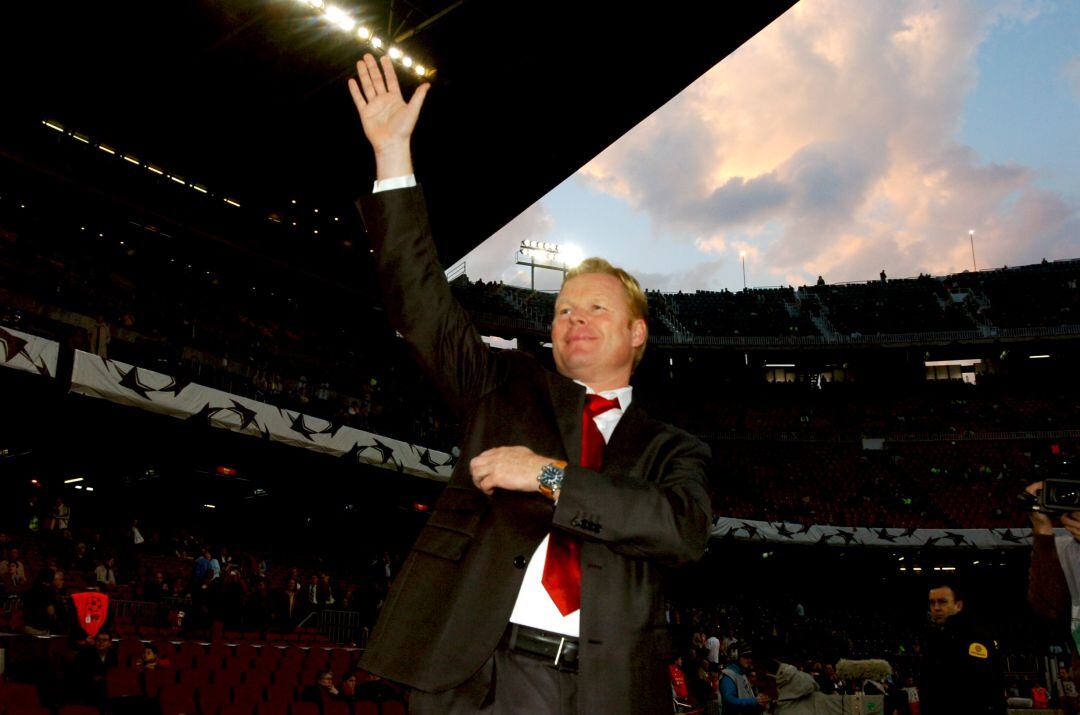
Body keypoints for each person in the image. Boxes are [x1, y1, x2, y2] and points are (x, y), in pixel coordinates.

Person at [347, 53, 712, 715]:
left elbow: (679, 530)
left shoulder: (671, 449)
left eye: (597, 308)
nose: (574, 317)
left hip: (613, 687)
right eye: (565, 309)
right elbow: (422, 307)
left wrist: (547, 475)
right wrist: (394, 158)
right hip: (490, 669)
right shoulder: (503, 384)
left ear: (636, 334)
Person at [918, 581, 1005, 714]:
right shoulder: (933, 639)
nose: (936, 607)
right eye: (932, 602)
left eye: (942, 602)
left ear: (958, 605)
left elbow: (983, 687)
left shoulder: (975, 637)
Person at [720, 646, 770, 712]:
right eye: (746, 657)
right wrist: (755, 701)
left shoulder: (741, 673)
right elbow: (729, 701)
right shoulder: (728, 675)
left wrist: (758, 699)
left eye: (750, 657)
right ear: (735, 657)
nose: (750, 660)